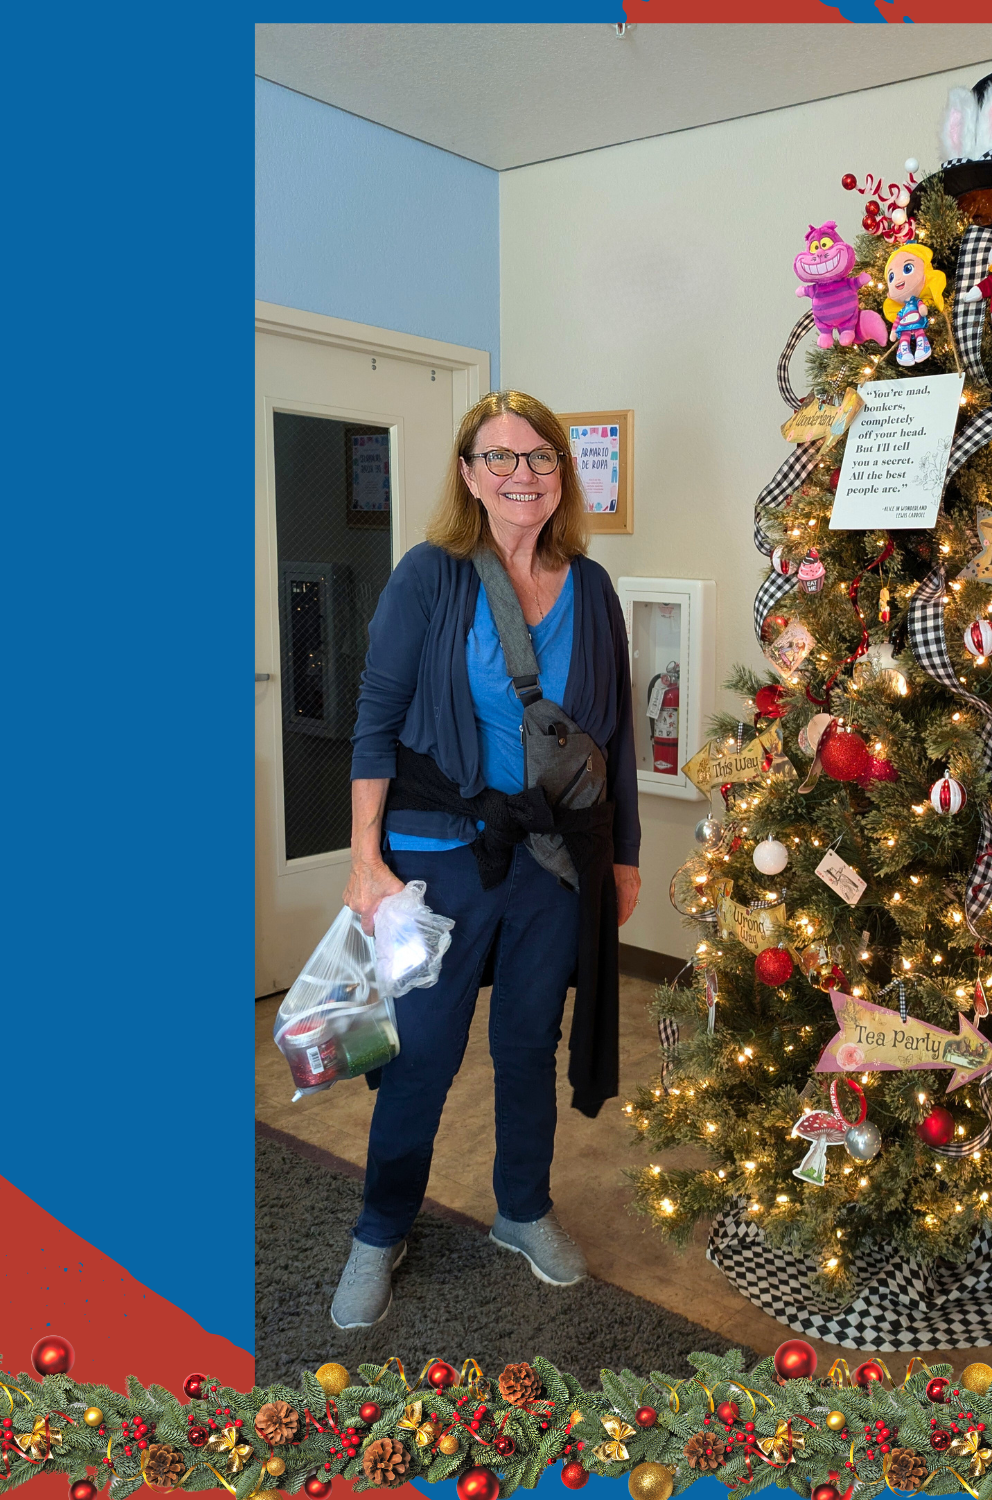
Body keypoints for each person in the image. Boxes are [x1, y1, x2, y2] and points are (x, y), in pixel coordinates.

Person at [329, 389, 642, 1329]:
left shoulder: (591, 587)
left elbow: (612, 737)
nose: (521, 476)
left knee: (527, 1041)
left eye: (540, 458)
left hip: (553, 859)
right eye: (499, 458)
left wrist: (623, 857)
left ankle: (522, 1208)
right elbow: (374, 725)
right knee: (420, 1051)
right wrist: (362, 862)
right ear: (469, 474)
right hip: (434, 854)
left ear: (562, 475)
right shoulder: (430, 575)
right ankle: (381, 1229)